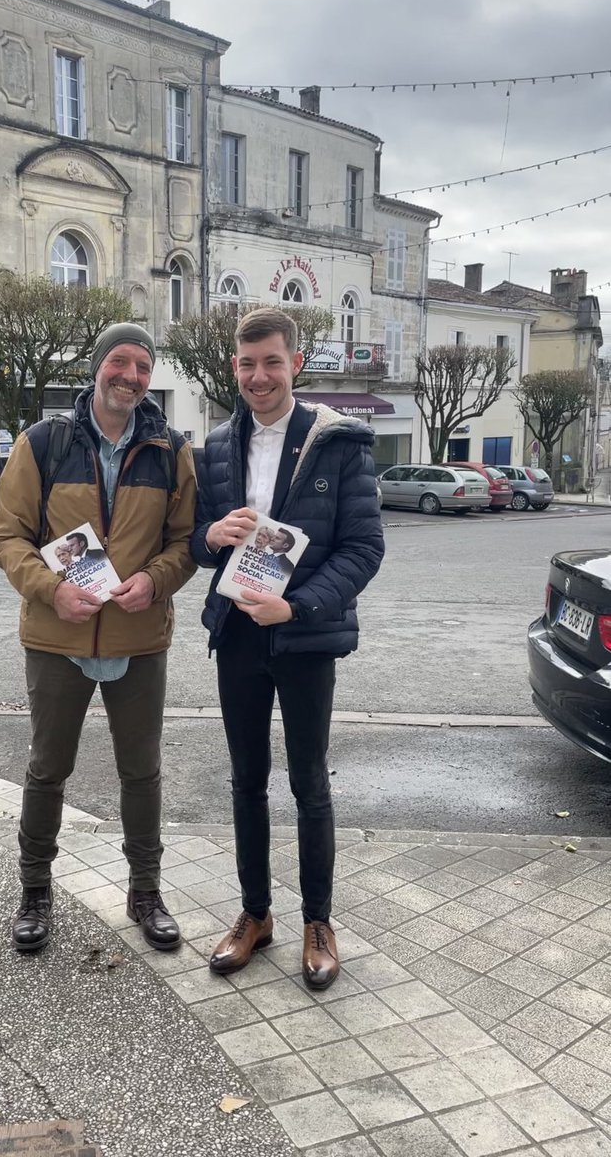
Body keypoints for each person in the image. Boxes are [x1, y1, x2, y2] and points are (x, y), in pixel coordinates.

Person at [191, 307, 384, 990]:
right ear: (234, 367)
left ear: (295, 364)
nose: (257, 376)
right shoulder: (214, 447)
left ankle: (318, 922)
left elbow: (364, 549)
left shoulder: (338, 443)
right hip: (238, 634)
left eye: (271, 361)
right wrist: (212, 535)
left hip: (303, 639)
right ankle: (254, 915)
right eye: (246, 364)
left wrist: (296, 604)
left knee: (308, 782)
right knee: (246, 780)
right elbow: (192, 543)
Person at [0, 322, 197, 955]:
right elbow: (7, 537)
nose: (131, 376)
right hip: (58, 641)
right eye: (120, 362)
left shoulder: (170, 450)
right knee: (48, 770)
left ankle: (145, 892)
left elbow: (186, 543)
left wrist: (155, 581)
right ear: (96, 367)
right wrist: (52, 591)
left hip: (138, 641)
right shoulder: (42, 443)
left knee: (142, 773)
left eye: (143, 366)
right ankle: (34, 892)